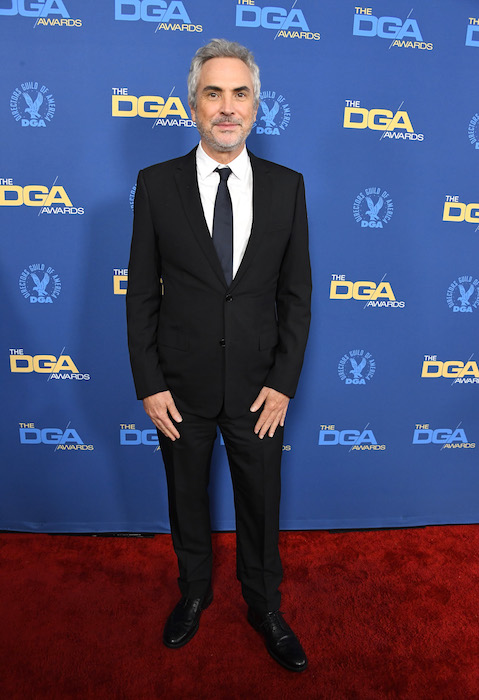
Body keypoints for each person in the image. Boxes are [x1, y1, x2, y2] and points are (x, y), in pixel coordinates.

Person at [126, 38, 311, 672]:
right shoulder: (156, 185)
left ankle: (264, 605)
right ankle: (194, 593)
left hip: (260, 390)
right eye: (213, 93)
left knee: (262, 501)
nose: (227, 107)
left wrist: (283, 382)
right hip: (179, 387)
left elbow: (297, 295)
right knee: (187, 497)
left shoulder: (288, 188)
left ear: (256, 105)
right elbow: (141, 294)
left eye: (240, 93)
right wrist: (149, 382)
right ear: (193, 105)